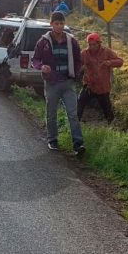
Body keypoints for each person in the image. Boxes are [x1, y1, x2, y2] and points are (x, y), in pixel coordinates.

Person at [32, 11, 85, 155]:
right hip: (52, 83)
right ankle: (53, 139)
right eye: (57, 23)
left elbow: (79, 59)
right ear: (51, 24)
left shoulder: (71, 40)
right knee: (51, 113)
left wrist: (76, 71)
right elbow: (35, 60)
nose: (60, 26)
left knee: (73, 114)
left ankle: (78, 143)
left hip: (68, 82)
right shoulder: (43, 41)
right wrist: (41, 67)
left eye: (62, 23)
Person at [77, 33, 123, 123]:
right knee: (80, 102)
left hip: (103, 87)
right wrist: (80, 68)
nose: (92, 47)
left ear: (99, 43)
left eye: (94, 44)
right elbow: (76, 66)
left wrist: (110, 62)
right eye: (90, 45)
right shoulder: (84, 54)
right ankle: (75, 123)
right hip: (89, 85)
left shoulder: (107, 52)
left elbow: (120, 62)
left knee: (107, 109)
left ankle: (111, 125)